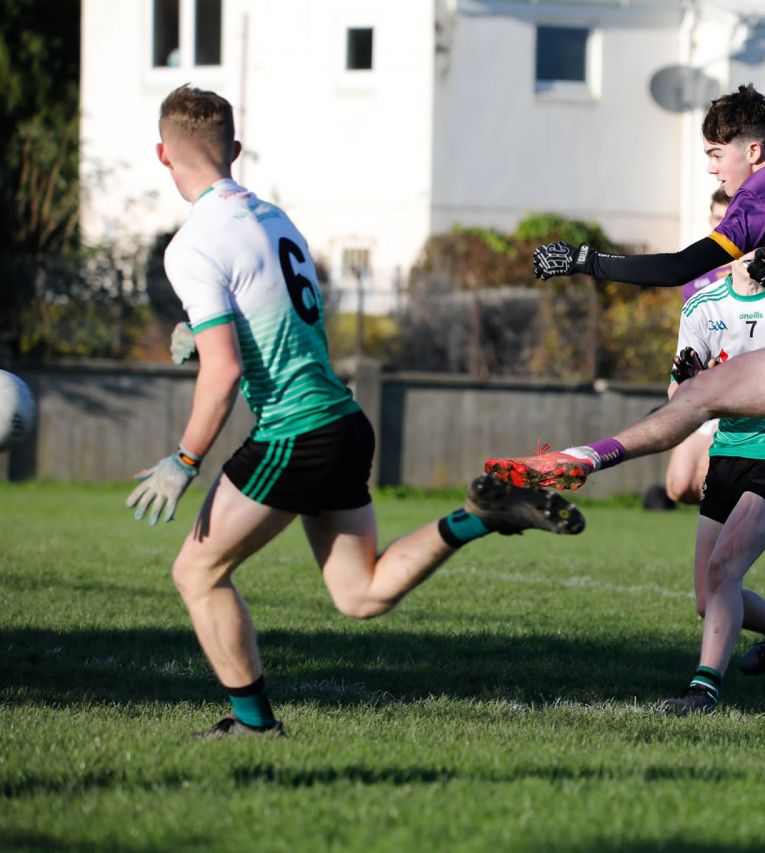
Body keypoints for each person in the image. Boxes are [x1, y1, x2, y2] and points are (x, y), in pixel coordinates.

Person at [128, 85, 586, 738]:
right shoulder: (274, 218)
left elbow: (225, 370)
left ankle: (254, 726)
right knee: (359, 593)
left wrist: (185, 459)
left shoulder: (192, 241)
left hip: (294, 430)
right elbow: (273, 321)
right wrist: (200, 337)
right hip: (344, 421)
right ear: (233, 150)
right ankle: (481, 514)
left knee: (196, 572)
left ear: (161, 154)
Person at [487, 84, 765, 725]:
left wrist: (588, 260)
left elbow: (677, 267)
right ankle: (578, 460)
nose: (711, 166)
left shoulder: (759, 196)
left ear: (753, 150)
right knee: (701, 392)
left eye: (715, 152)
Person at [658, 251, 765, 714]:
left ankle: (702, 690)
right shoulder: (702, 306)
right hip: (726, 450)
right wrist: (685, 382)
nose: (750, 250)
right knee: (709, 599)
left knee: (725, 569)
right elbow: (677, 395)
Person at [664, 188, 731, 505]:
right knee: (678, 488)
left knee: (714, 482)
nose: (723, 226)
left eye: (729, 219)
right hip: (705, 386)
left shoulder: (758, 271)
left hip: (739, 392)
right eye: (718, 219)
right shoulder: (697, 276)